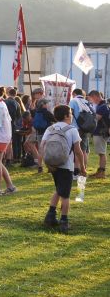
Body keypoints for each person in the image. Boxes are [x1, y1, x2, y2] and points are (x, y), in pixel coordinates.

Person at [41, 105, 86, 234]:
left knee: (59, 190)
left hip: (53, 165)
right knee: (65, 195)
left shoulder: (50, 128)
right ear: (66, 115)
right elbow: (78, 151)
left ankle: (50, 216)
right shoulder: (72, 130)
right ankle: (64, 221)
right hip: (66, 166)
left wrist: (46, 163)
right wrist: (82, 168)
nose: (71, 115)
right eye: (71, 113)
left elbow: (42, 146)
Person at [69, 88, 94, 176]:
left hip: (76, 128)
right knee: (84, 150)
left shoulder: (73, 101)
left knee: (76, 150)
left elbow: (70, 114)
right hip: (85, 128)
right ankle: (84, 170)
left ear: (74, 93)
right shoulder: (86, 101)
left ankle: (76, 171)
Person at [88, 90, 109, 179]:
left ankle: (102, 172)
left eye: (91, 98)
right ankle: (100, 171)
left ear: (95, 96)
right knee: (101, 153)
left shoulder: (102, 106)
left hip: (100, 132)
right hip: (101, 131)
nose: (91, 100)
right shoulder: (104, 105)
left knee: (102, 153)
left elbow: (96, 118)